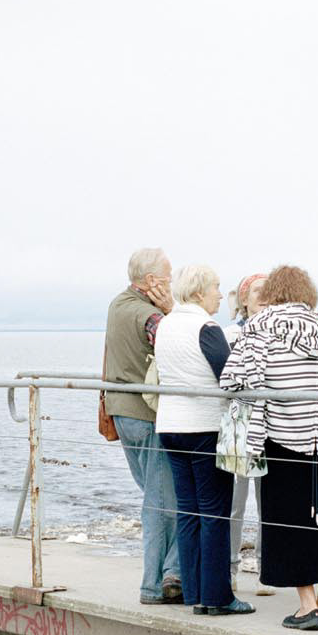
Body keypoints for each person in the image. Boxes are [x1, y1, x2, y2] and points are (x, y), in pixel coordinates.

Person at [219, 265, 318, 630]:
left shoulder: (259, 327)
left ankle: (306, 606)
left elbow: (232, 379)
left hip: (285, 436)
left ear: (272, 293)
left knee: (290, 521)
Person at [155, 264, 253, 616]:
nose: (218, 293)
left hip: (169, 424)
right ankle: (217, 596)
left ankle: (194, 590)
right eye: (215, 287)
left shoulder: (166, 324)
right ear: (199, 292)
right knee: (214, 512)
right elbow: (228, 376)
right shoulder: (206, 327)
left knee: (188, 510)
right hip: (204, 426)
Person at [104, 247, 182, 605]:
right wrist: (172, 311)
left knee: (158, 496)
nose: (170, 285)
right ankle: (156, 584)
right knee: (163, 502)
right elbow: (179, 344)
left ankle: (172, 573)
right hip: (148, 415)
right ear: (152, 282)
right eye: (167, 280)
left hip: (121, 412)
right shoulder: (149, 316)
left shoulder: (117, 305)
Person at [224, 272, 268, 582]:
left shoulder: (279, 330)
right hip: (238, 423)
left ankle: (268, 568)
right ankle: (231, 569)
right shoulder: (229, 333)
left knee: (268, 505)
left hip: (270, 424)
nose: (263, 294)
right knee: (234, 504)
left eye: (268, 289)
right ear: (244, 298)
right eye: (256, 290)